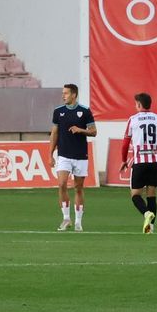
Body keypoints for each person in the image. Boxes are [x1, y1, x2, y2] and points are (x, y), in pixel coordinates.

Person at [119, 92, 157, 235]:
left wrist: (124, 160)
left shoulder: (133, 120)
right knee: (151, 195)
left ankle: (146, 214)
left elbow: (125, 143)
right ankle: (150, 227)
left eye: (135, 104)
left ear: (139, 104)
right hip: (154, 162)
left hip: (140, 162)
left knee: (135, 195)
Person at [49, 83, 96, 232]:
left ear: (74, 94)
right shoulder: (58, 112)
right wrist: (50, 154)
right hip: (64, 155)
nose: (63, 95)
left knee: (78, 188)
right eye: (63, 93)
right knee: (62, 184)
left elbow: (94, 131)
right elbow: (54, 133)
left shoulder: (85, 111)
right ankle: (66, 218)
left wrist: (80, 130)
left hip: (81, 155)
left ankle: (78, 222)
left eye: (66, 93)